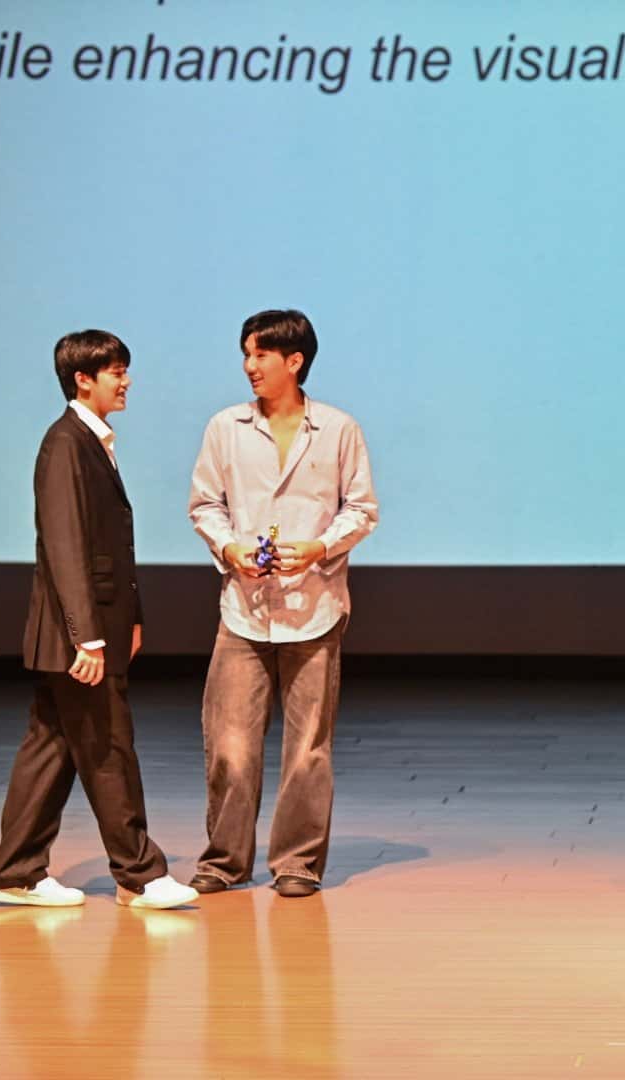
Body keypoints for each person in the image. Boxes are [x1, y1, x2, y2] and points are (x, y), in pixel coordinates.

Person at [0, 331, 198, 910]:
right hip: (77, 633)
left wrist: (132, 617)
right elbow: (65, 547)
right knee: (108, 745)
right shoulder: (65, 443)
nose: (126, 380)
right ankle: (140, 875)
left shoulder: (91, 440)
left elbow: (111, 547)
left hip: (96, 625)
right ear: (83, 379)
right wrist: (89, 637)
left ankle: (15, 871)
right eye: (115, 371)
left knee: (51, 748)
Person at [186, 310, 377, 898]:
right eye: (246, 354)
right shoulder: (226, 427)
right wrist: (231, 548)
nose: (250, 365)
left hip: (314, 607)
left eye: (261, 354)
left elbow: (361, 509)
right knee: (230, 746)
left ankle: (298, 862)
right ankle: (224, 861)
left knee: (307, 750)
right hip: (244, 609)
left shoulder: (338, 428)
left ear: (294, 361)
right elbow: (205, 505)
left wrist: (320, 546)